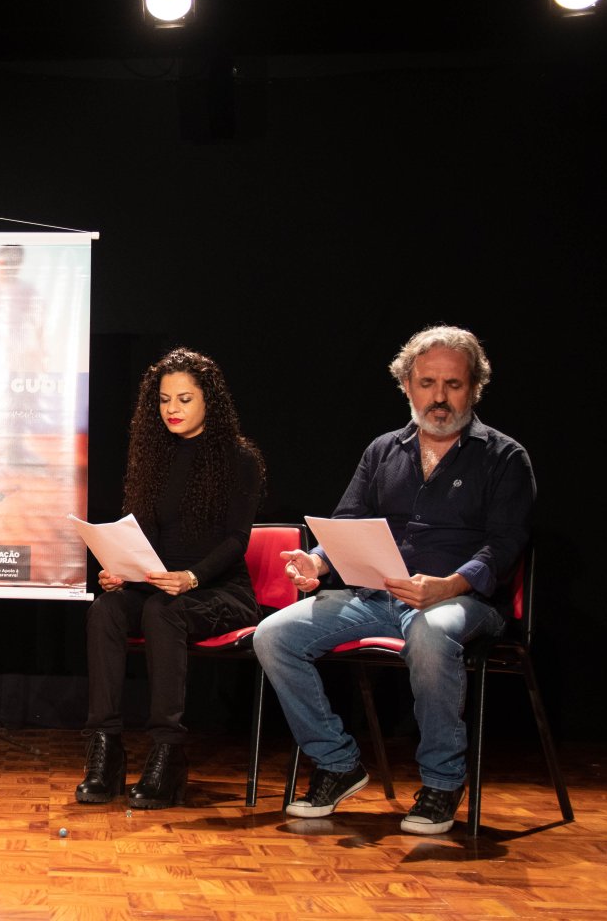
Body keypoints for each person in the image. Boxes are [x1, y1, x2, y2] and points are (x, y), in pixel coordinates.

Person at [253, 324, 533, 835]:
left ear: (474, 388)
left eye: (453, 384)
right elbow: (347, 524)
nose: (439, 397)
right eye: (427, 383)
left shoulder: (504, 457)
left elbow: (504, 546)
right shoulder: (383, 450)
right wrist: (317, 562)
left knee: (430, 632)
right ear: (407, 385)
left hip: (460, 601)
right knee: (273, 635)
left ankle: (443, 782)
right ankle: (338, 763)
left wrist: (448, 585)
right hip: (375, 596)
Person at [77, 348, 265, 809]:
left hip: (220, 591)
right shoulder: (154, 456)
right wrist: (120, 569)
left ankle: (168, 751)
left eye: (184, 399)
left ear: (208, 401)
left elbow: (237, 540)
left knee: (164, 612)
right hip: (159, 587)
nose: (172, 410)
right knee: (105, 609)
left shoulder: (239, 458)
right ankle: (105, 748)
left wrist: (192, 578)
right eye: (164, 400)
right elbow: (142, 535)